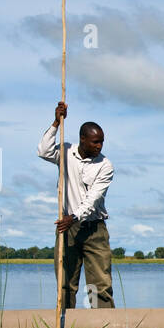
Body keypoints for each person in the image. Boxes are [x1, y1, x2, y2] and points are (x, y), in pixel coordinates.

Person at [38, 101, 114, 309]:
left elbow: (93, 199)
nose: (99, 146)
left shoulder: (105, 165)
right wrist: (56, 123)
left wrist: (74, 217)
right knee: (65, 284)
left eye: (102, 142)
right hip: (67, 228)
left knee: (99, 286)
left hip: (93, 228)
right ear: (83, 139)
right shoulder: (66, 150)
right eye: (95, 142)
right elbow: (43, 151)